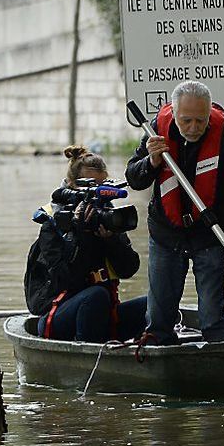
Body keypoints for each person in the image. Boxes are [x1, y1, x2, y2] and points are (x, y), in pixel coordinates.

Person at [126, 80, 224, 345]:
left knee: (212, 318)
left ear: (209, 114)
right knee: (159, 319)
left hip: (210, 234)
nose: (193, 128)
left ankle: (219, 357)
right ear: (174, 113)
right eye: (186, 121)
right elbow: (134, 178)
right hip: (166, 234)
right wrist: (151, 162)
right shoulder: (155, 131)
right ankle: (159, 353)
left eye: (200, 121)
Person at [24, 146, 147, 343]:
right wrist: (81, 234)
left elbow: (128, 269)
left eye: (101, 189)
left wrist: (111, 239)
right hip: (58, 314)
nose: (97, 198)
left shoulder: (107, 216)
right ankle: (88, 355)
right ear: (72, 187)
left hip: (102, 312)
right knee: (95, 295)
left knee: (158, 303)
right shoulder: (53, 223)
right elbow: (66, 280)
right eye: (90, 190)